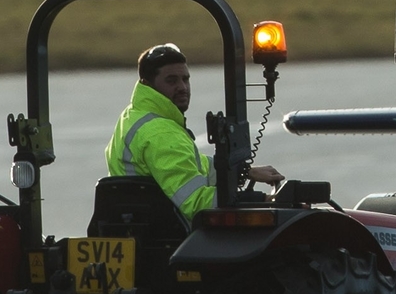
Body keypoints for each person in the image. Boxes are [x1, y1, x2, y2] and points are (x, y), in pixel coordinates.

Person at [107, 43, 275, 217]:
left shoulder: (134, 115)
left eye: (185, 79)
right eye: (171, 81)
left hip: (134, 224)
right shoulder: (161, 134)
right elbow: (197, 204)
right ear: (148, 84)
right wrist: (261, 200)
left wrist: (243, 171)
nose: (182, 87)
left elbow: (188, 163)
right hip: (165, 234)